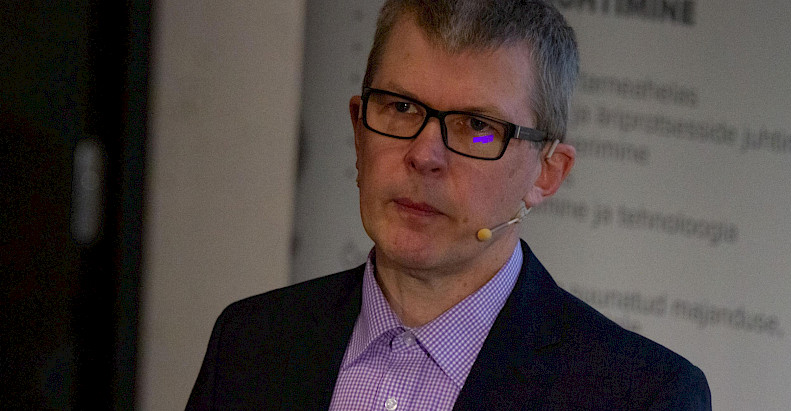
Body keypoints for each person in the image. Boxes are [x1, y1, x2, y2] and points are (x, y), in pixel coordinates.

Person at [186, 1, 711, 409]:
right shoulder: (251, 342)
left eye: (477, 127)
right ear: (358, 131)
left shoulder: (642, 396)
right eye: (400, 107)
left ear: (547, 173)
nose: (424, 155)